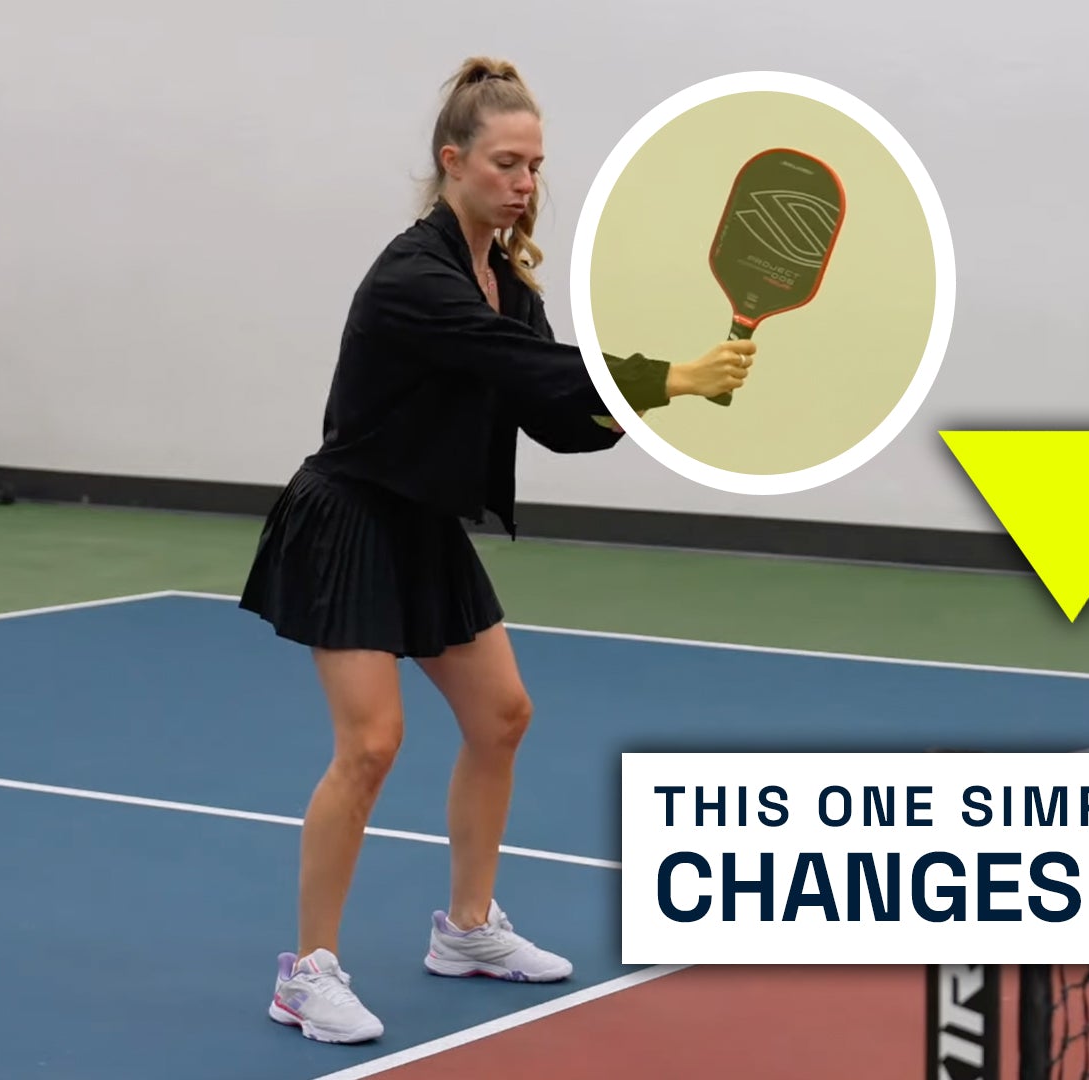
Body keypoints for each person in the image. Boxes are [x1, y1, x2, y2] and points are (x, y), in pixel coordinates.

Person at [241, 55, 756, 1044]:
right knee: (371, 746)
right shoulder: (414, 278)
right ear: (453, 161)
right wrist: (670, 377)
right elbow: (523, 366)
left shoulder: (505, 276)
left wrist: (651, 405)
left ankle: (466, 930)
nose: (526, 184)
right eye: (508, 164)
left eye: (536, 167)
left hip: (424, 526)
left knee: (504, 715)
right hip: (350, 522)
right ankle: (305, 973)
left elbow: (549, 408)